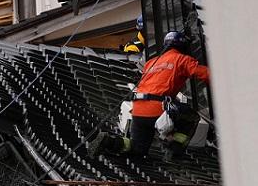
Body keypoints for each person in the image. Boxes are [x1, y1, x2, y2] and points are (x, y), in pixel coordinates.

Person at [90, 31, 210, 160]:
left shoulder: (151, 62)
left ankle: (109, 141)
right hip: (158, 109)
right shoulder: (181, 59)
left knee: (137, 150)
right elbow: (206, 74)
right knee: (191, 117)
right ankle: (174, 149)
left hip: (138, 110)